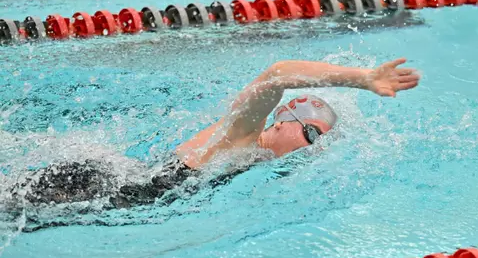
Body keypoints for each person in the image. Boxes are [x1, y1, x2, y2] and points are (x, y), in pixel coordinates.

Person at [11, 57, 420, 210]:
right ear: (283, 121)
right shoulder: (241, 136)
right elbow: (277, 74)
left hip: (107, 189)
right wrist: (361, 79)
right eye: (311, 135)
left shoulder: (249, 152)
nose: (311, 149)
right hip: (93, 189)